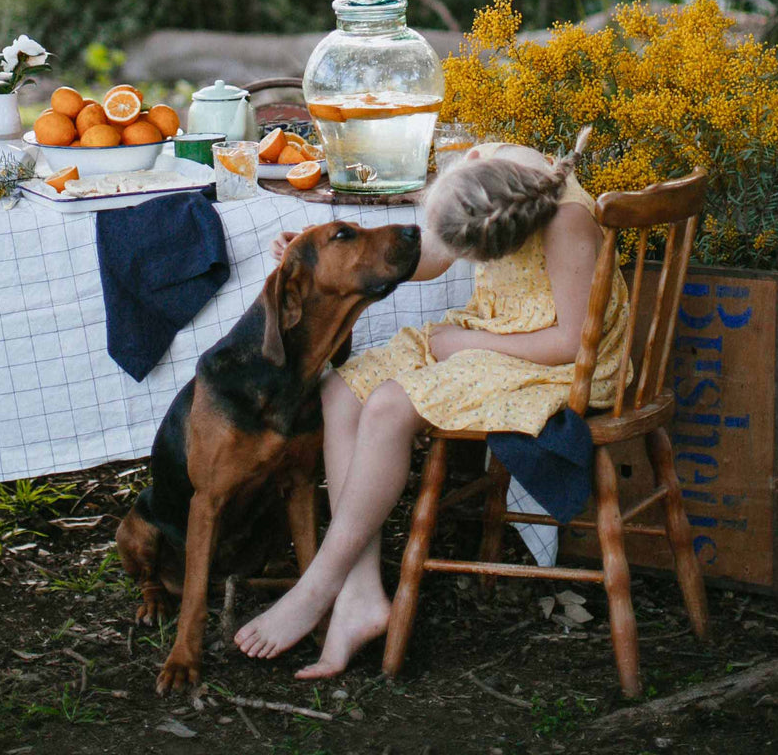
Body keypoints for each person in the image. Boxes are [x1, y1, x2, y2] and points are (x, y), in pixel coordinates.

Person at [234, 128, 630, 678]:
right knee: (341, 391)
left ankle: (319, 585)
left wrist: (467, 343)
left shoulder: (567, 223)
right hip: (492, 332)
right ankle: (361, 596)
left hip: (555, 361)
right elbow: (431, 258)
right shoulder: (483, 170)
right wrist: (324, 246)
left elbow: (568, 343)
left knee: (392, 406)